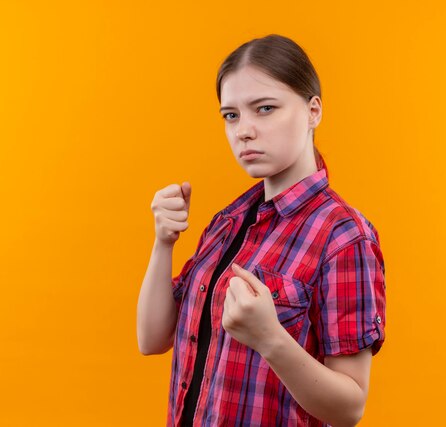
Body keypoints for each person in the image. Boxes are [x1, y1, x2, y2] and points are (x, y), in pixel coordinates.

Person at [137, 34, 387, 427]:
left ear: (313, 111)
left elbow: (349, 407)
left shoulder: (343, 237)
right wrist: (163, 242)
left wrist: (271, 338)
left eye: (265, 108)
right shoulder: (228, 222)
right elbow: (151, 339)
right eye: (231, 115)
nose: (244, 131)